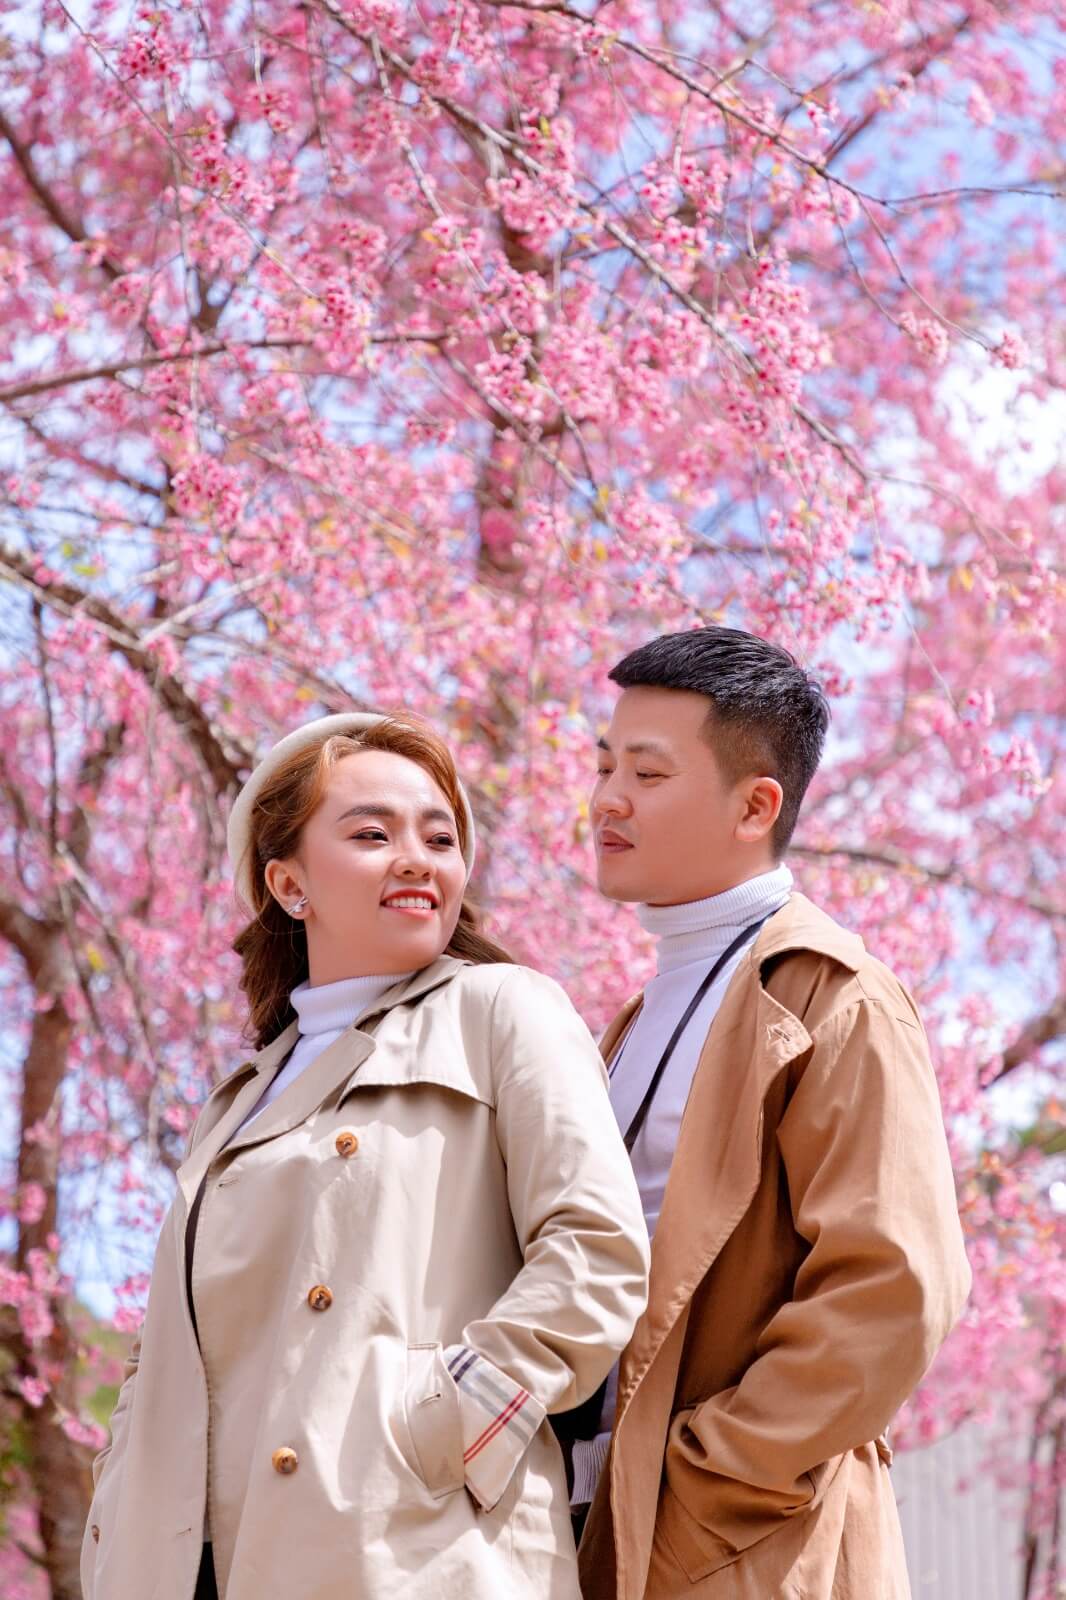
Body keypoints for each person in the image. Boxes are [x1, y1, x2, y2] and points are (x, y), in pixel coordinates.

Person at [82, 711, 649, 1600]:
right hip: (194, 1561)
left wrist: (443, 1427)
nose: (417, 859)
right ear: (289, 884)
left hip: (407, 1544)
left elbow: (596, 1250)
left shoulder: (501, 1009)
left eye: (440, 838)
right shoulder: (236, 1100)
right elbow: (170, 1348)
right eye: (373, 835)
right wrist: (120, 1487)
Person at [572, 628, 971, 1600]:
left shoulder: (833, 995)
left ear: (756, 805)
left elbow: (892, 1289)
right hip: (612, 1537)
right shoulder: (639, 1013)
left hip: (739, 1551)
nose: (608, 799)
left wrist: (703, 1488)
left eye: (648, 773)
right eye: (605, 765)